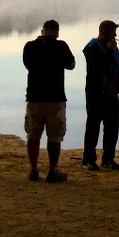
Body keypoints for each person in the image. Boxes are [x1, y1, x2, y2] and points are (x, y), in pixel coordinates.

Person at [23, 19, 76, 182]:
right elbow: (71, 64)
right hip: (55, 97)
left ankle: (33, 169)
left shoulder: (30, 46)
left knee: (33, 134)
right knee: (54, 136)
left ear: (42, 31)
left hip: (34, 96)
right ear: (57, 33)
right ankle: (52, 171)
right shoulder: (61, 46)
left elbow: (27, 65)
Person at [81, 20, 119, 171]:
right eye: (113, 32)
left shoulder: (112, 48)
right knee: (93, 127)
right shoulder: (92, 47)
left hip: (112, 94)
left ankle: (108, 159)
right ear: (104, 32)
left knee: (112, 128)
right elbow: (99, 66)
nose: (115, 35)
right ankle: (88, 160)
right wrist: (111, 51)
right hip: (96, 94)